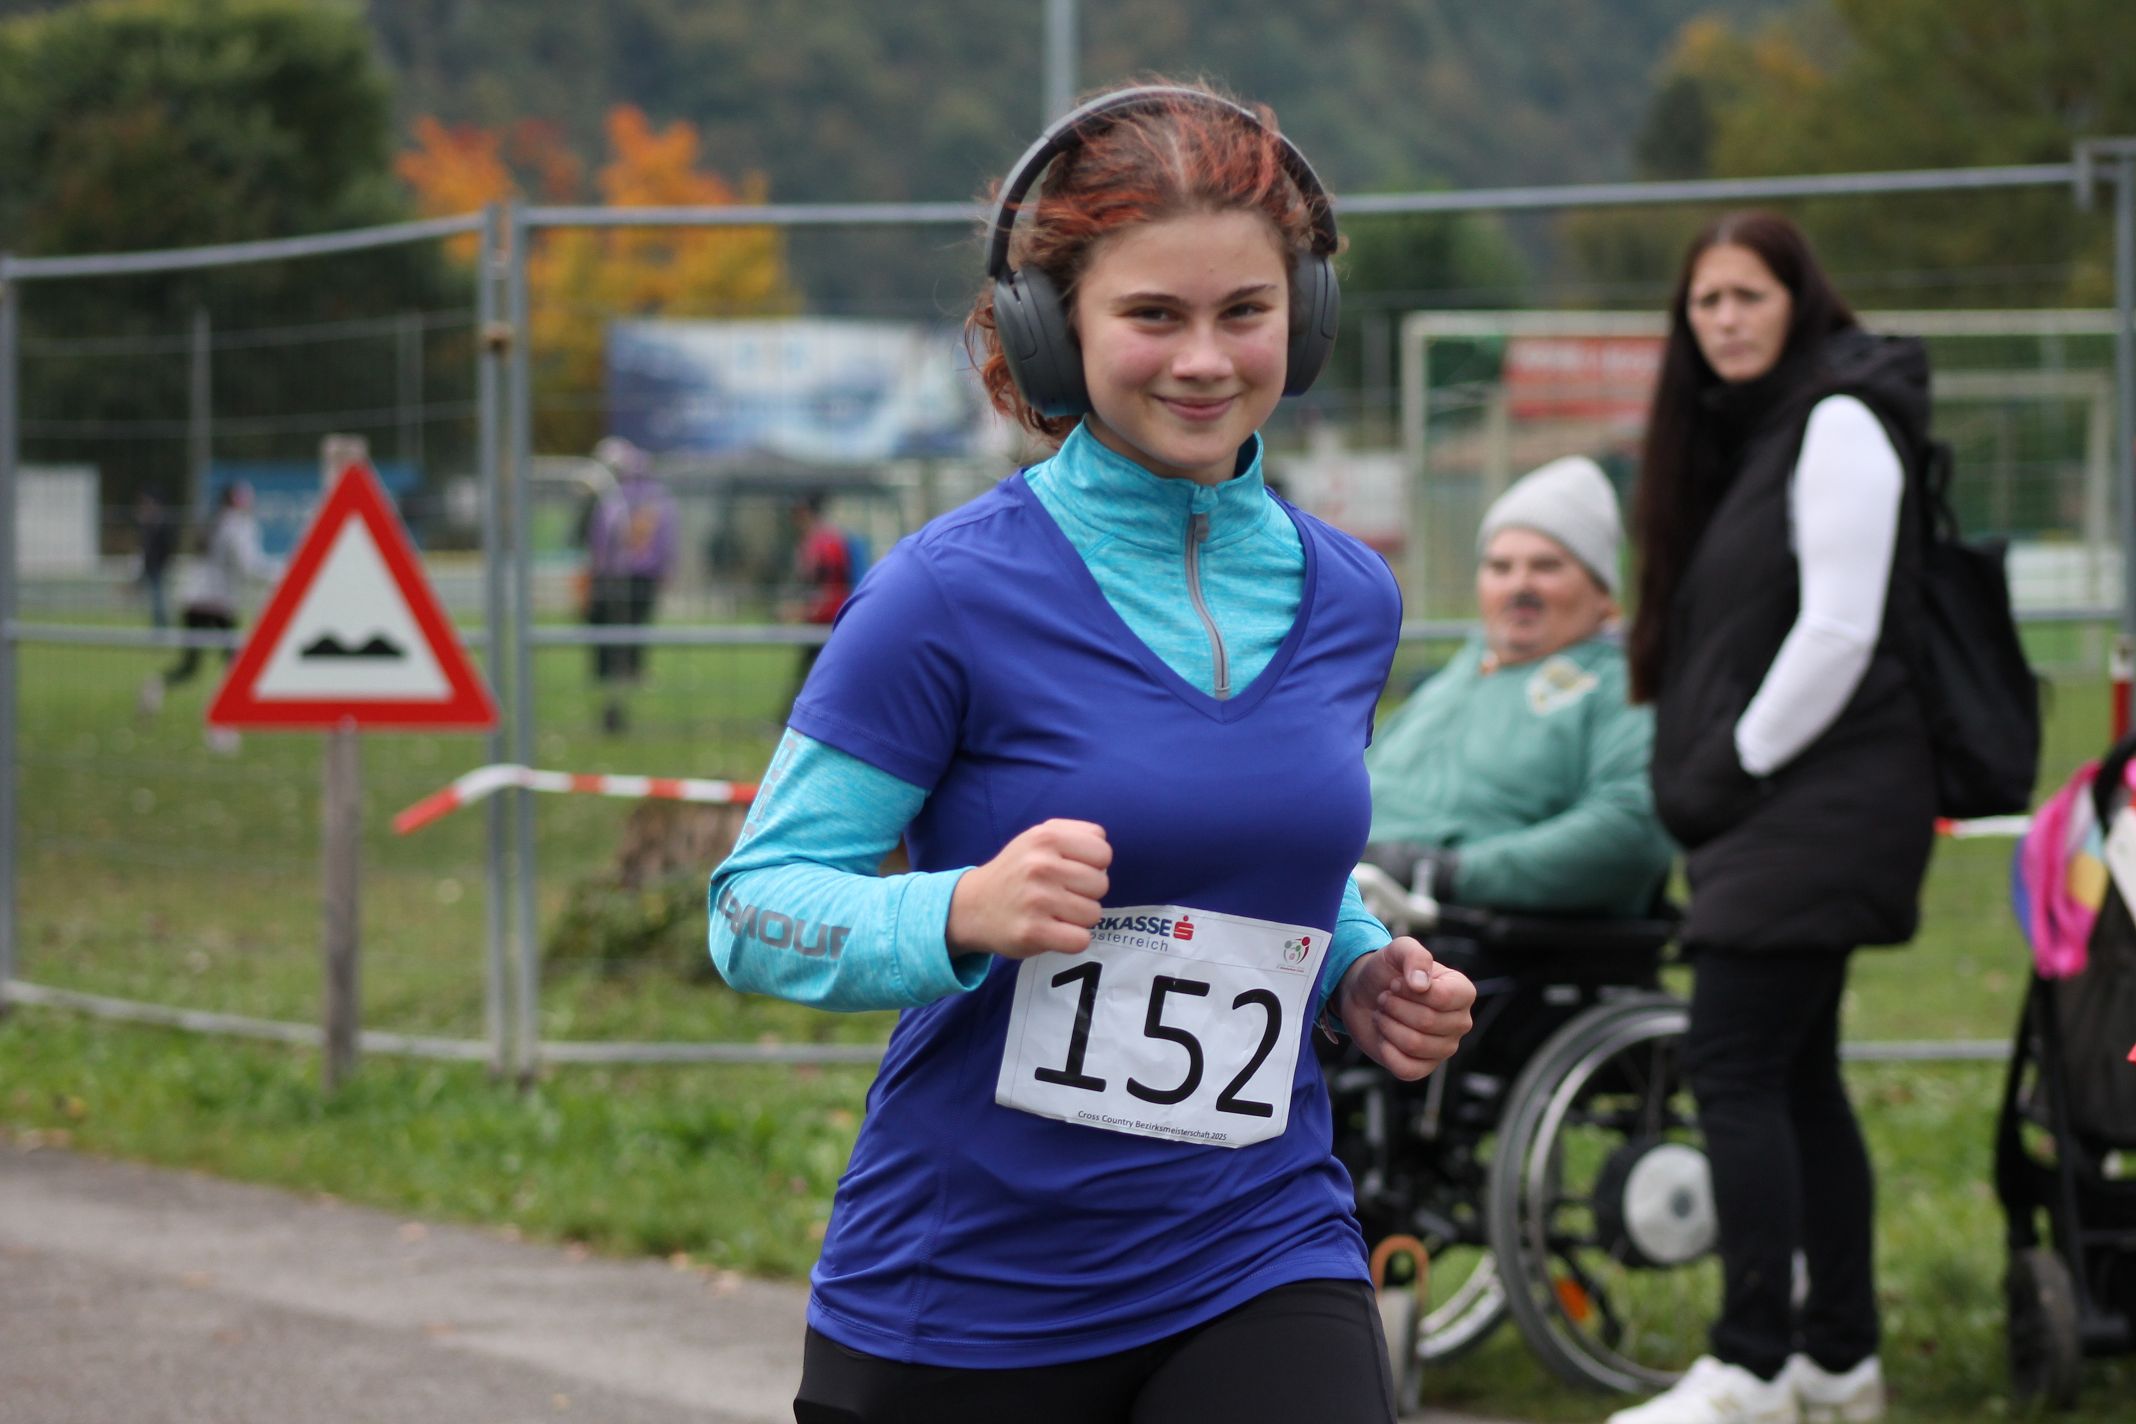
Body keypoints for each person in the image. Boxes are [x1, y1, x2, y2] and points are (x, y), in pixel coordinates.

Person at [708, 83, 1475, 1424]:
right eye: (1153, 316)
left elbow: (1255, 862)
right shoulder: (943, 595)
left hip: (1259, 1243)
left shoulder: (1353, 598)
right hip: (968, 1287)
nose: (1205, 360)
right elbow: (753, 908)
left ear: (1304, 320)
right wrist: (960, 908)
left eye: (1245, 312)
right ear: (1052, 328)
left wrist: (1357, 967)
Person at [1608, 212, 1934, 1424]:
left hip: (1818, 797)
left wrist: (1732, 763)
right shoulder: (1754, 435)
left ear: (1799, 299)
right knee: (1797, 1074)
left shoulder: (1839, 417)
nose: (1726, 319)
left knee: (1734, 1059)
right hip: (1789, 801)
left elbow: (1841, 627)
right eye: (1706, 301)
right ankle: (1838, 1360)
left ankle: (1749, 1365)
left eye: (1749, 294)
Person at [1362, 455, 1674, 923]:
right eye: (1500, 567)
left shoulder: (1620, 684)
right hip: (1350, 898)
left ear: (1602, 591)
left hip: (1458, 930)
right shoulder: (1461, 674)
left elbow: (1633, 828)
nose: (1519, 586)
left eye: (1546, 566)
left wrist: (1446, 872)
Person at [138, 480, 280, 748]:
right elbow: (250, 566)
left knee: (191, 665)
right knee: (235, 666)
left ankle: (156, 686)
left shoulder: (213, 522)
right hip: (217, 602)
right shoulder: (237, 526)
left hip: (192, 600)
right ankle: (219, 721)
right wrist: (281, 574)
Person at [583, 435, 677, 734]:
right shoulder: (659, 498)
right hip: (640, 574)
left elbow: (601, 537)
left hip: (619, 574)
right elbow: (666, 539)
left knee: (618, 627)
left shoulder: (614, 497)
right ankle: (630, 671)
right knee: (635, 626)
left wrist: (600, 568)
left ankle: (618, 672)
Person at [786, 489, 855, 695]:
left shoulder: (826, 543)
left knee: (813, 679)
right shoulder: (813, 542)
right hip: (822, 619)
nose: (794, 519)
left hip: (829, 620)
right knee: (812, 678)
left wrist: (805, 611)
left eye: (798, 512)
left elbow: (830, 586)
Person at [133, 489, 179, 630]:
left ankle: (161, 624)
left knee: (158, 596)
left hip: (158, 564)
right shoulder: (149, 522)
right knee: (155, 596)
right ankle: (159, 623)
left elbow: (166, 546)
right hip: (149, 564)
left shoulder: (161, 522)